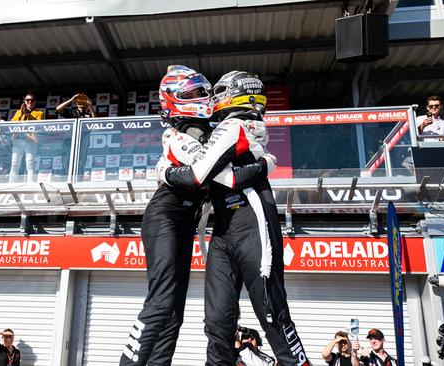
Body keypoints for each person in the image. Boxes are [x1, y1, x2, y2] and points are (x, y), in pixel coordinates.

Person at [119, 65, 272, 366]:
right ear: (173, 99)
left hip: (185, 225)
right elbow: (198, 178)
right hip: (165, 217)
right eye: (192, 93)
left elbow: (239, 157)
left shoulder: (213, 131)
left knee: (174, 314)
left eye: (202, 92)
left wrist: (264, 160)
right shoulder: (176, 134)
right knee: (161, 303)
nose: (201, 97)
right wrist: (266, 164)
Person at [159, 71, 310, 366]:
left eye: (218, 93)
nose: (212, 99)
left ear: (237, 93)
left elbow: (205, 174)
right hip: (224, 228)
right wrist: (264, 165)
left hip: (252, 219)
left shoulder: (234, 125)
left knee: (271, 312)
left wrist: (165, 170)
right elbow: (216, 172)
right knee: (217, 321)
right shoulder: (227, 128)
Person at [9, 93, 44, 183]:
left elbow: (38, 123)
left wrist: (27, 114)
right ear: (24, 101)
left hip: (30, 140)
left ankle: (30, 185)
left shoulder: (40, 113)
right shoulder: (18, 112)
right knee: (14, 164)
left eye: (32, 100)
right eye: (27, 100)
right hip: (17, 140)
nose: (30, 102)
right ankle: (11, 184)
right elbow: (12, 123)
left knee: (30, 164)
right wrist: (21, 113)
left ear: (35, 102)